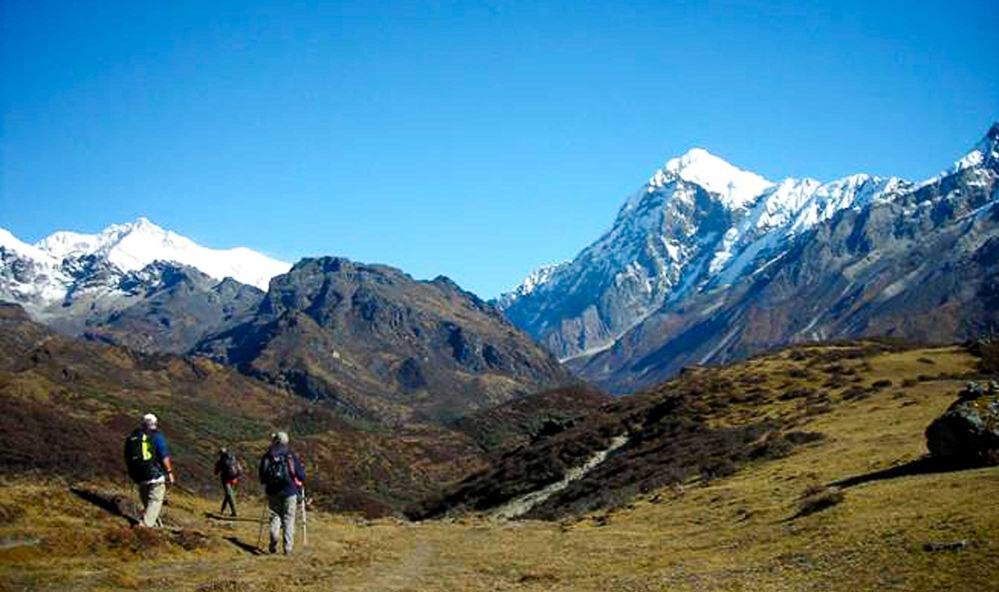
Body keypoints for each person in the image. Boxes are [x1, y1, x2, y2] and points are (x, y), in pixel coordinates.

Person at [123, 413, 174, 528]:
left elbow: (126, 455)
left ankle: (155, 524)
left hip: (138, 475)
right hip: (154, 474)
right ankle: (144, 526)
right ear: (155, 423)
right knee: (155, 501)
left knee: (148, 503)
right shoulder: (157, 436)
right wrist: (169, 473)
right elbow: (164, 455)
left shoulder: (134, 436)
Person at [258, 431, 306, 554]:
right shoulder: (290, 455)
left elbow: (262, 476)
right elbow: (301, 475)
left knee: (275, 516)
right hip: (289, 491)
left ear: (275, 441)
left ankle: (274, 538)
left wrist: (269, 483)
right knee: (288, 519)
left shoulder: (268, 455)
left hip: (273, 491)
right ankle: (288, 548)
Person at [213, 447, 242, 517]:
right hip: (235, 478)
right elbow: (239, 468)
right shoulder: (233, 458)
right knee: (229, 494)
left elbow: (216, 472)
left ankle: (234, 512)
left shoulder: (220, 461)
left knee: (229, 495)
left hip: (226, 479)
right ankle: (222, 509)